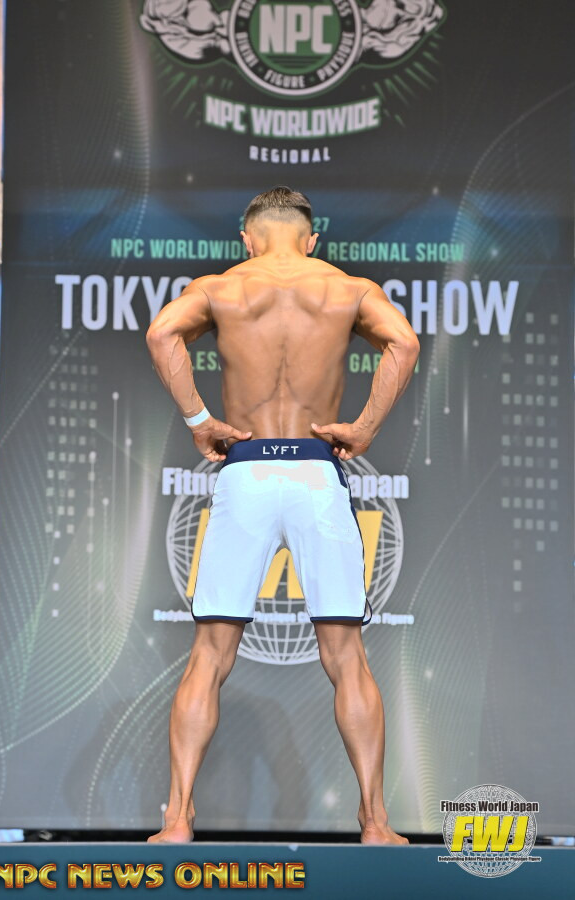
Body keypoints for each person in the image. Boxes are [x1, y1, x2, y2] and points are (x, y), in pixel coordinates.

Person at [145, 186, 420, 845]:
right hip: (315, 473)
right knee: (346, 655)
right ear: (312, 238)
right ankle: (375, 822)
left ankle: (178, 821)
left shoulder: (222, 288)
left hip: (245, 471)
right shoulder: (347, 289)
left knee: (210, 653)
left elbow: (160, 334)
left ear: (246, 239)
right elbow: (404, 344)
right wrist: (366, 427)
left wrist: (199, 420)